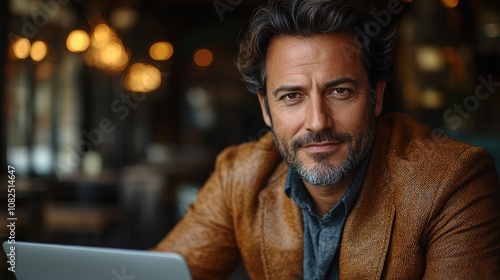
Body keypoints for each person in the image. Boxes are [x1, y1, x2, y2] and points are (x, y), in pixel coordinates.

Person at [155, 0, 500, 279]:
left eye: (340, 91)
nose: (318, 121)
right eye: (292, 96)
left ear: (376, 97)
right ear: (266, 108)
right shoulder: (240, 176)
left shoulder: (453, 182)